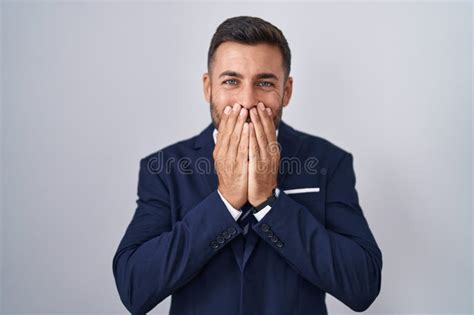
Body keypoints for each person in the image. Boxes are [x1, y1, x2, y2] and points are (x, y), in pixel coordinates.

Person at [112, 15, 382, 315]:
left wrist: (270, 204)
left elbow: (363, 285)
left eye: (264, 82)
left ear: (286, 91)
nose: (247, 100)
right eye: (231, 81)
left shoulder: (329, 162)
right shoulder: (165, 169)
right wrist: (225, 201)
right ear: (208, 87)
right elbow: (134, 286)